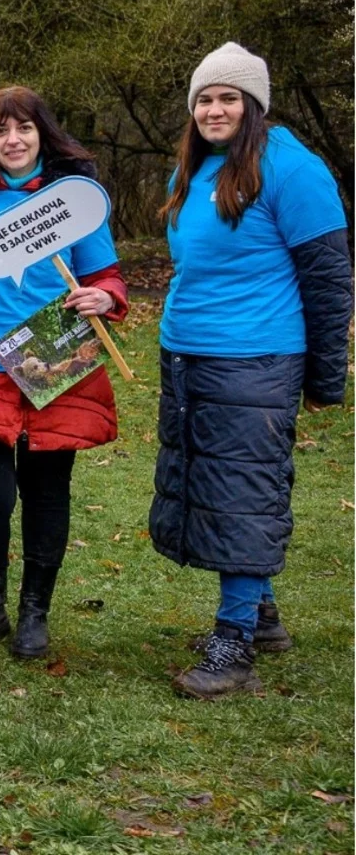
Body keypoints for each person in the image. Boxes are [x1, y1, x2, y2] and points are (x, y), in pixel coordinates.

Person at [152, 42, 351, 699]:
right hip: (188, 355)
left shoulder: (294, 170)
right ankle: (261, 614)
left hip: (255, 360)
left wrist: (326, 378)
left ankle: (233, 644)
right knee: (219, 488)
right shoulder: (192, 171)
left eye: (229, 98)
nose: (215, 110)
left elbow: (328, 281)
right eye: (205, 99)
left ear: (255, 104)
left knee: (242, 493)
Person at [0, 88, 129, 659]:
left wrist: (105, 298)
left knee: (46, 492)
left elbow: (106, 277)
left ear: (43, 133)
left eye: (23, 128)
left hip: (53, 365)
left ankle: (36, 612)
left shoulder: (74, 202)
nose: (12, 140)